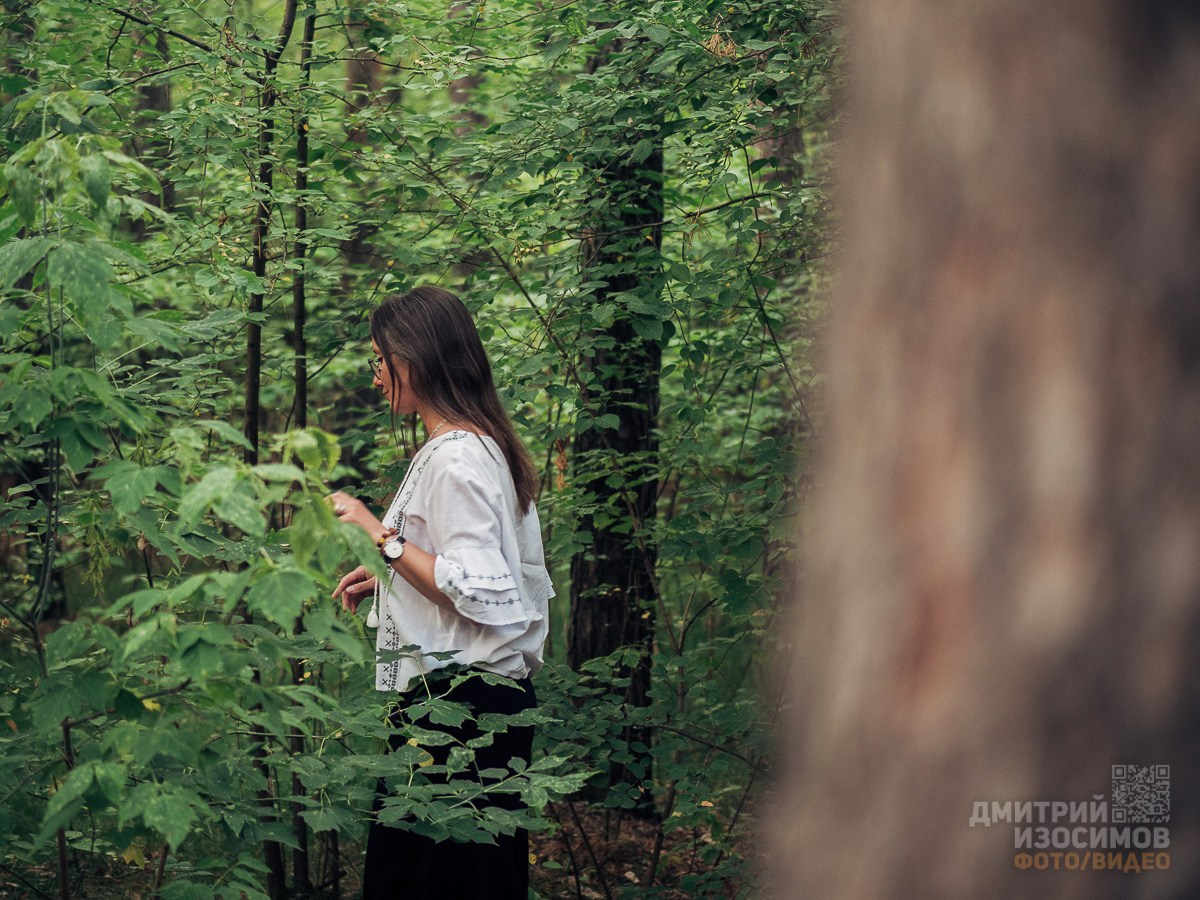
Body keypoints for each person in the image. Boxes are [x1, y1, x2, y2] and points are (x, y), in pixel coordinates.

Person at [326, 285, 553, 900]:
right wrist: (393, 575)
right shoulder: (482, 445)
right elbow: (482, 568)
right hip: (475, 703)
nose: (376, 377)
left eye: (380, 359)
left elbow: (481, 592)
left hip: (459, 707)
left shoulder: (455, 456)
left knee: (431, 884)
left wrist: (382, 537)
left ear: (414, 358)